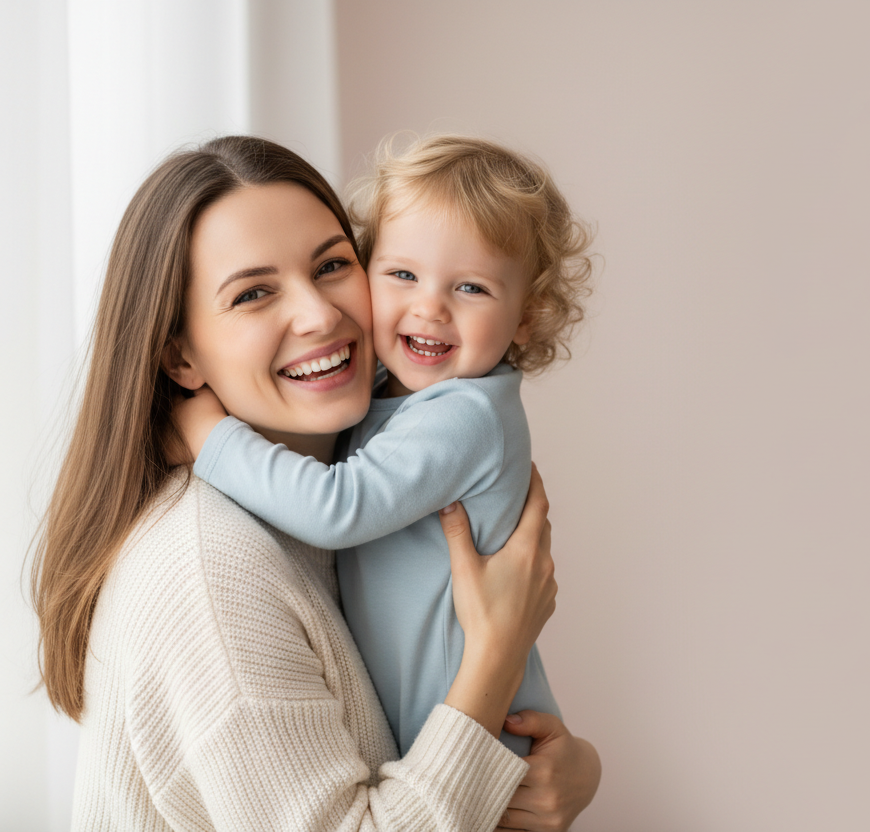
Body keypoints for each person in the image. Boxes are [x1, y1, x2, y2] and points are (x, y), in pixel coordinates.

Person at [30, 135, 600, 831]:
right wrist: (496, 656)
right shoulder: (211, 572)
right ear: (179, 357)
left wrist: (571, 770)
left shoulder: (377, 447)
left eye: (331, 266)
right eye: (253, 293)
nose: (322, 316)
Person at [173, 135, 593, 759]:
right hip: (443, 742)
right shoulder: (386, 390)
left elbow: (337, 508)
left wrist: (207, 436)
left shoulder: (467, 413)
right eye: (402, 275)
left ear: (527, 316)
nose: (429, 308)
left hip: (484, 746)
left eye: (471, 288)